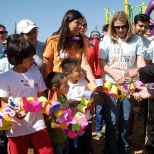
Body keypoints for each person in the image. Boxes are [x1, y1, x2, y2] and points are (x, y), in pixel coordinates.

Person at [99, 11, 146, 154]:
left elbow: (140, 62)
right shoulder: (107, 40)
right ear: (113, 26)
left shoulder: (137, 40)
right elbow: (102, 63)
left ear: (128, 25)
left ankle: (124, 149)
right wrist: (114, 74)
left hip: (129, 86)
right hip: (111, 85)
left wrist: (141, 72)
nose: (120, 30)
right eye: (117, 27)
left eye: (123, 26)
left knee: (125, 119)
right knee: (112, 120)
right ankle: (110, 150)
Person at [0, 39, 54, 154]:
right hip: (16, 126)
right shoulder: (5, 78)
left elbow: (41, 95)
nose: (33, 59)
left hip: (37, 122)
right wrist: (15, 113)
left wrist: (46, 106)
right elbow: (5, 104)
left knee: (47, 151)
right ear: (18, 57)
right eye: (30, 57)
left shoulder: (36, 73)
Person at [43, 9, 95, 83]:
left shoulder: (82, 41)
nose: (81, 26)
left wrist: (94, 82)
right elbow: (46, 66)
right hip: (59, 85)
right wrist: (49, 85)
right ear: (67, 23)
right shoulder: (53, 41)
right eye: (77, 23)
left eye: (82, 24)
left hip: (76, 85)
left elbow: (85, 64)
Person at [61, 58, 93, 154]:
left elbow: (91, 96)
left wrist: (91, 102)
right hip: (73, 122)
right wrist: (70, 104)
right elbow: (62, 105)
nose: (80, 72)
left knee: (86, 142)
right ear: (68, 74)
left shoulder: (84, 83)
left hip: (86, 119)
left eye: (80, 70)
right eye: (77, 71)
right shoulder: (66, 87)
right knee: (74, 144)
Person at [45, 72, 69, 154]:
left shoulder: (63, 97)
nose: (68, 86)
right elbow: (53, 125)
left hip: (64, 136)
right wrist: (69, 126)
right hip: (56, 139)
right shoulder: (54, 105)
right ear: (55, 89)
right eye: (65, 85)